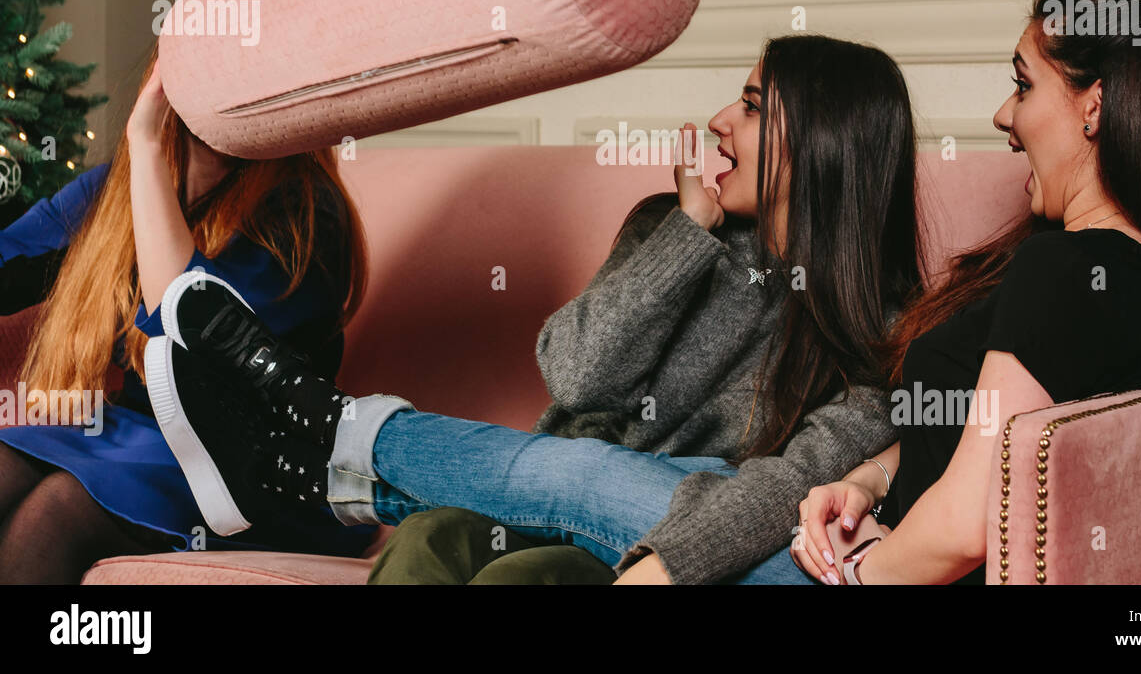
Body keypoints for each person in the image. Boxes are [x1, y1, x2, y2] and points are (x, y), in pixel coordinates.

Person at [146, 34, 922, 584]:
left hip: (659, 544)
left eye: (753, 106)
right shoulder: (671, 229)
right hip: (527, 496)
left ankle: (300, 440)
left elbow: (782, 492)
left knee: (530, 579)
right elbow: (574, 377)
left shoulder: (886, 338)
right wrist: (688, 236)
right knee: (427, 539)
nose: (721, 118)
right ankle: (305, 445)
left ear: (821, 144)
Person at [788, 0, 1141, 585]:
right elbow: (993, 445)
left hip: (893, 573)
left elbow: (967, 528)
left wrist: (855, 571)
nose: (1004, 115)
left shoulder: (1066, 271)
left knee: (612, 481)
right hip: (891, 541)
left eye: (1023, 86)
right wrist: (868, 482)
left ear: (1094, 106)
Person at [0, 44, 375, 583]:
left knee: (55, 511)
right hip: (129, 437)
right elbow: (12, 258)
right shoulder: (114, 190)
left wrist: (146, 144)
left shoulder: (305, 214)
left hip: (241, 462)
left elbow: (188, 324)